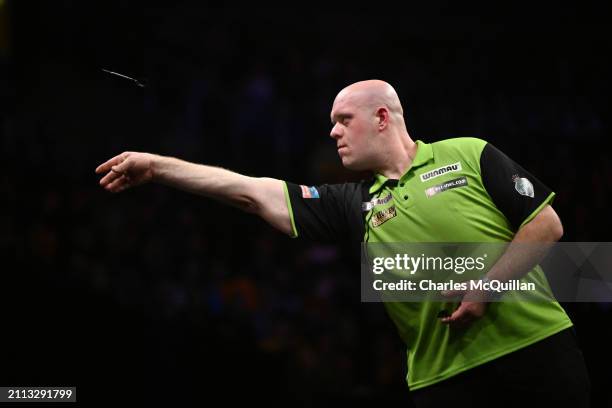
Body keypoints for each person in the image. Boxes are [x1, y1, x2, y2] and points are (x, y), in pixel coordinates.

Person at [95, 80, 590, 407]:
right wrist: (160, 167)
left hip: (537, 350)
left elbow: (546, 225)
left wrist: (484, 287)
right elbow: (251, 192)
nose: (332, 132)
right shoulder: (352, 203)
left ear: (381, 118)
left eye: (342, 119)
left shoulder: (467, 154)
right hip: (446, 378)